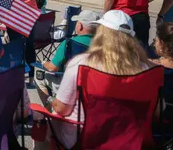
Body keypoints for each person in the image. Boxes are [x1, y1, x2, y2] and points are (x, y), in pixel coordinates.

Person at [45, 10, 151, 148]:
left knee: (44, 121)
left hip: (85, 138)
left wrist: (49, 100)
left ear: (101, 33)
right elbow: (155, 112)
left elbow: (61, 108)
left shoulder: (81, 63)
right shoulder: (145, 69)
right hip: (129, 140)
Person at [34, 10, 100, 104]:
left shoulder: (69, 43)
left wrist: (44, 63)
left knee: (39, 77)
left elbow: (53, 68)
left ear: (80, 26)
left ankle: (51, 108)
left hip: (69, 84)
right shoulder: (101, 45)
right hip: (92, 85)